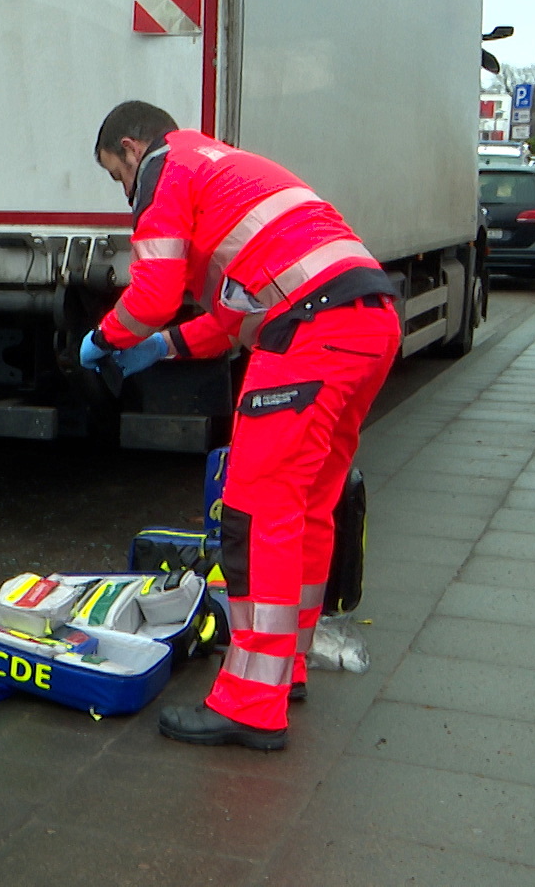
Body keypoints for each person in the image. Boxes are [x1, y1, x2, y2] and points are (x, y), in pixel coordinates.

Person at [81, 100, 400, 751]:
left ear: (133, 148)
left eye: (117, 175)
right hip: (366, 324)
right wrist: (161, 348)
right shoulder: (224, 173)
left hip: (308, 334)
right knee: (309, 507)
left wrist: (105, 337)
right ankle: (288, 666)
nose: (125, 194)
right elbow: (229, 318)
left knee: (255, 514)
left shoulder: (166, 172)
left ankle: (252, 702)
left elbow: (151, 294)